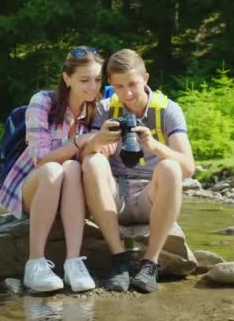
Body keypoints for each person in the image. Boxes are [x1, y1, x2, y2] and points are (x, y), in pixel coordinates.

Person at [80, 49, 195, 293]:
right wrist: (98, 142)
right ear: (110, 83)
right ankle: (119, 258)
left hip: (150, 197)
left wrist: (153, 145)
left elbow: (188, 167)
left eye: (133, 84)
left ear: (146, 78)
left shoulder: (167, 110)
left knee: (171, 167)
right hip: (116, 196)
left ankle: (150, 262)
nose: (127, 93)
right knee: (92, 162)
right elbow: (82, 157)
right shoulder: (104, 109)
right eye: (119, 86)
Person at [0, 46, 103, 293]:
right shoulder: (43, 102)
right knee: (54, 169)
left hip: (70, 191)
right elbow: (41, 160)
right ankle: (34, 264)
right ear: (67, 78)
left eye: (98, 79)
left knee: (72, 168)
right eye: (84, 80)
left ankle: (73, 263)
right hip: (33, 185)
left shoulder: (98, 109)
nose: (92, 87)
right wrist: (80, 141)